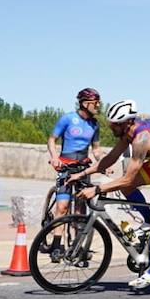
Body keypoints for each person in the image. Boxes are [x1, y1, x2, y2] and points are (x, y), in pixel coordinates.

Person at [73, 99, 150, 289]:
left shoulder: (141, 139)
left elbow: (128, 178)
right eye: (111, 123)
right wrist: (81, 174)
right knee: (125, 188)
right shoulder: (128, 133)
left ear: (127, 123)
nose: (111, 126)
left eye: (115, 124)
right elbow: (111, 158)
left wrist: (96, 189)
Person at [46, 88, 102, 218]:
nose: (98, 106)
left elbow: (96, 149)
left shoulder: (95, 124)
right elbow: (51, 140)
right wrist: (55, 157)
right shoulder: (68, 118)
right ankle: (57, 238)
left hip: (83, 166)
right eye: (95, 102)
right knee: (62, 207)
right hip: (66, 165)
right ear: (84, 103)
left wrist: (103, 162)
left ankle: (79, 237)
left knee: (80, 209)